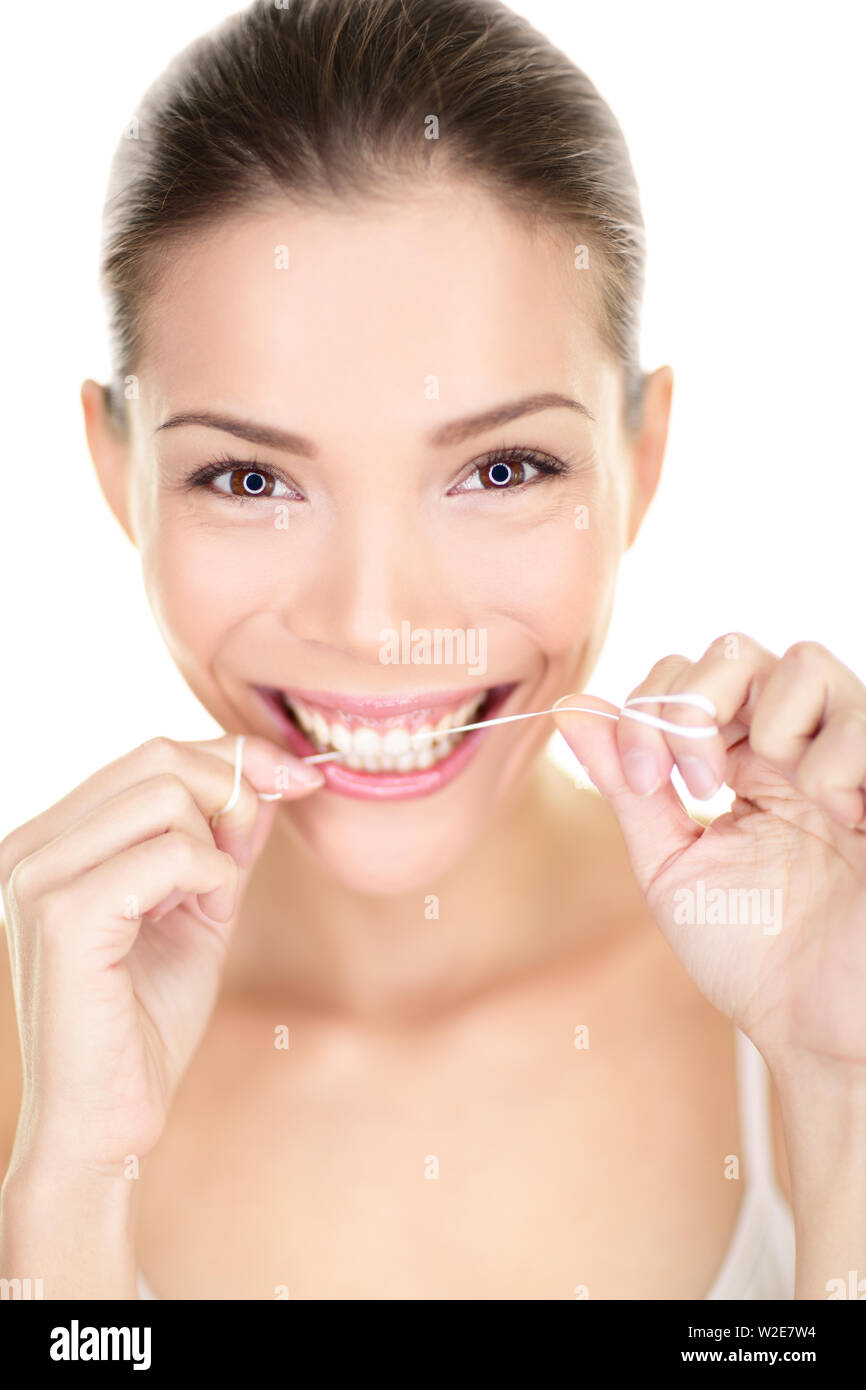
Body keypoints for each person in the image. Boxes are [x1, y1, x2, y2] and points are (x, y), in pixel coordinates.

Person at [1, 0, 864, 1301]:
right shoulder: (31, 1069)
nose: (371, 617)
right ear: (117, 471)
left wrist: (838, 1084)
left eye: (499, 466)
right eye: (246, 477)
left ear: (639, 456)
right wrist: (66, 1194)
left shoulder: (819, 976)